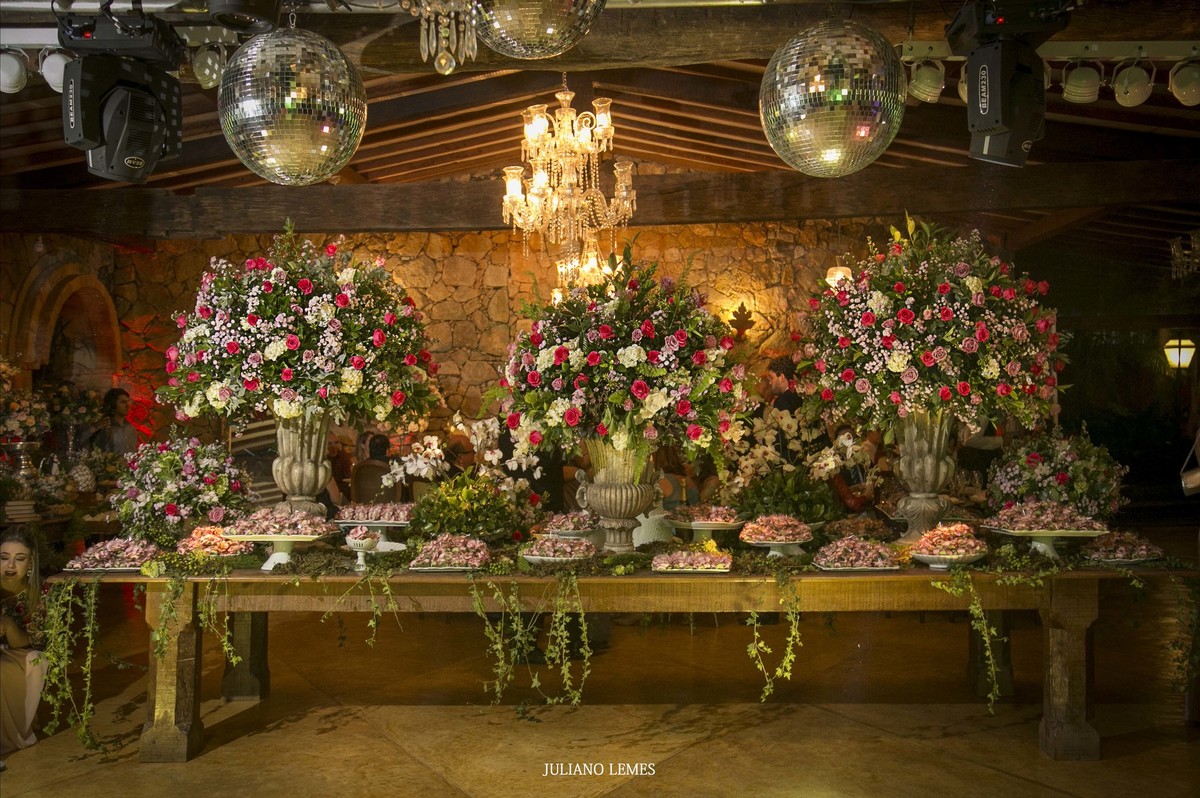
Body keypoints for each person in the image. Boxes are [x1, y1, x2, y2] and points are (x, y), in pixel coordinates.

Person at [1, 527, 46, 768]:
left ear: (30, 562)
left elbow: (34, 641)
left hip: (19, 652)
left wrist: (8, 625)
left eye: (19, 559)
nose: (10, 565)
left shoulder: (36, 594)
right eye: (4, 557)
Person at [88, 388, 138, 455]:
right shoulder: (105, 428)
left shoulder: (131, 428)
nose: (127, 405)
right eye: (123, 402)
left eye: (127, 401)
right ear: (113, 405)